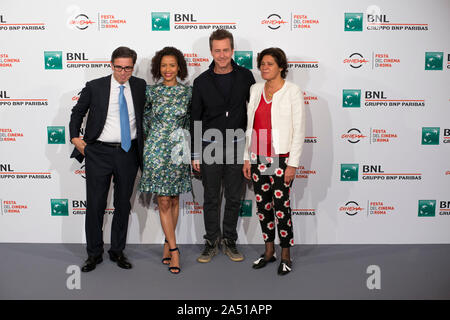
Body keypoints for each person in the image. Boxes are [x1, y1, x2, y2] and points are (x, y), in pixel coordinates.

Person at [69, 46, 146, 272]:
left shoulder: (140, 86)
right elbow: (77, 112)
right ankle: (94, 253)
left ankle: (117, 251)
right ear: (111, 65)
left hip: (128, 152)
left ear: (133, 67)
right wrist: (75, 137)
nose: (123, 72)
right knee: (95, 205)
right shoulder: (95, 87)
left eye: (128, 68)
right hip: (98, 152)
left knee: (123, 204)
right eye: (119, 67)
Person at [190, 29, 255, 263]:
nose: (222, 55)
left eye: (226, 50)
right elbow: (195, 118)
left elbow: (253, 115)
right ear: (211, 52)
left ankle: (229, 240)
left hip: (238, 146)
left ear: (232, 50)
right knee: (211, 197)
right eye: (217, 50)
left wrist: (251, 151)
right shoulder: (201, 81)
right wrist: (195, 153)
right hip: (210, 146)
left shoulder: (246, 76)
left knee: (235, 197)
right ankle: (211, 242)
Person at [242, 47, 305, 275]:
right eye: (262, 64)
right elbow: (249, 126)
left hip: (281, 158)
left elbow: (299, 130)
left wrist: (293, 164)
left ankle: (285, 254)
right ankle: (268, 251)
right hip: (257, 157)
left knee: (281, 208)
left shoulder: (292, 91)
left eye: (269, 64)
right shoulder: (255, 89)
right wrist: (246, 158)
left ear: (281, 67)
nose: (264, 68)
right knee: (263, 206)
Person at [139, 47, 191, 274]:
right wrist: (151, 145)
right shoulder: (151, 92)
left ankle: (166, 245)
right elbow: (144, 122)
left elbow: (190, 123)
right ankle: (175, 249)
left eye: (172, 65)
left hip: (179, 151)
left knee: (175, 199)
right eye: (163, 65)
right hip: (156, 151)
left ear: (179, 67)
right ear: (158, 68)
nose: (168, 69)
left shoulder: (188, 93)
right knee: (163, 201)